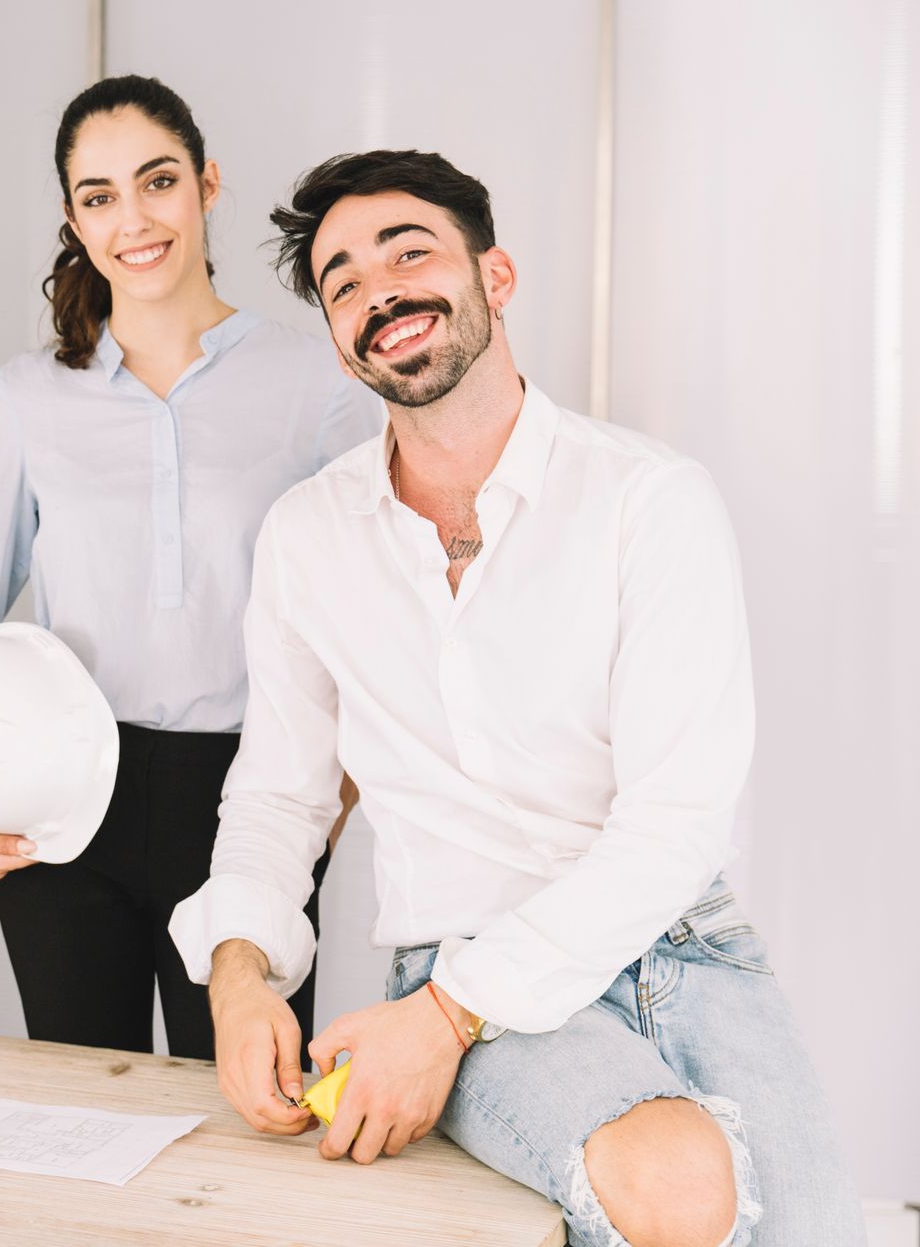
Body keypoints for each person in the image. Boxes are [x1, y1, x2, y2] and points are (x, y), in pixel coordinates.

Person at [176, 149, 864, 1246]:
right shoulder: (308, 538)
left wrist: (444, 1022)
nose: (379, 290)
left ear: (495, 277)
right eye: (343, 281)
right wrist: (239, 971)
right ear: (340, 337)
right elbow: (277, 798)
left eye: (410, 254)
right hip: (456, 948)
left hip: (680, 941)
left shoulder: (650, 503)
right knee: (676, 1180)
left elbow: (675, 823)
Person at [0, 75, 377, 1060]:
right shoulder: (28, 397)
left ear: (207, 184)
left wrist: (327, 813)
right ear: (74, 220)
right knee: (85, 1111)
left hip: (251, 792)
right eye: (100, 196)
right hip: (62, 792)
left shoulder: (317, 382)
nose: (135, 219)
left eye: (157, 181)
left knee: (250, 1107)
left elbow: (374, 625)